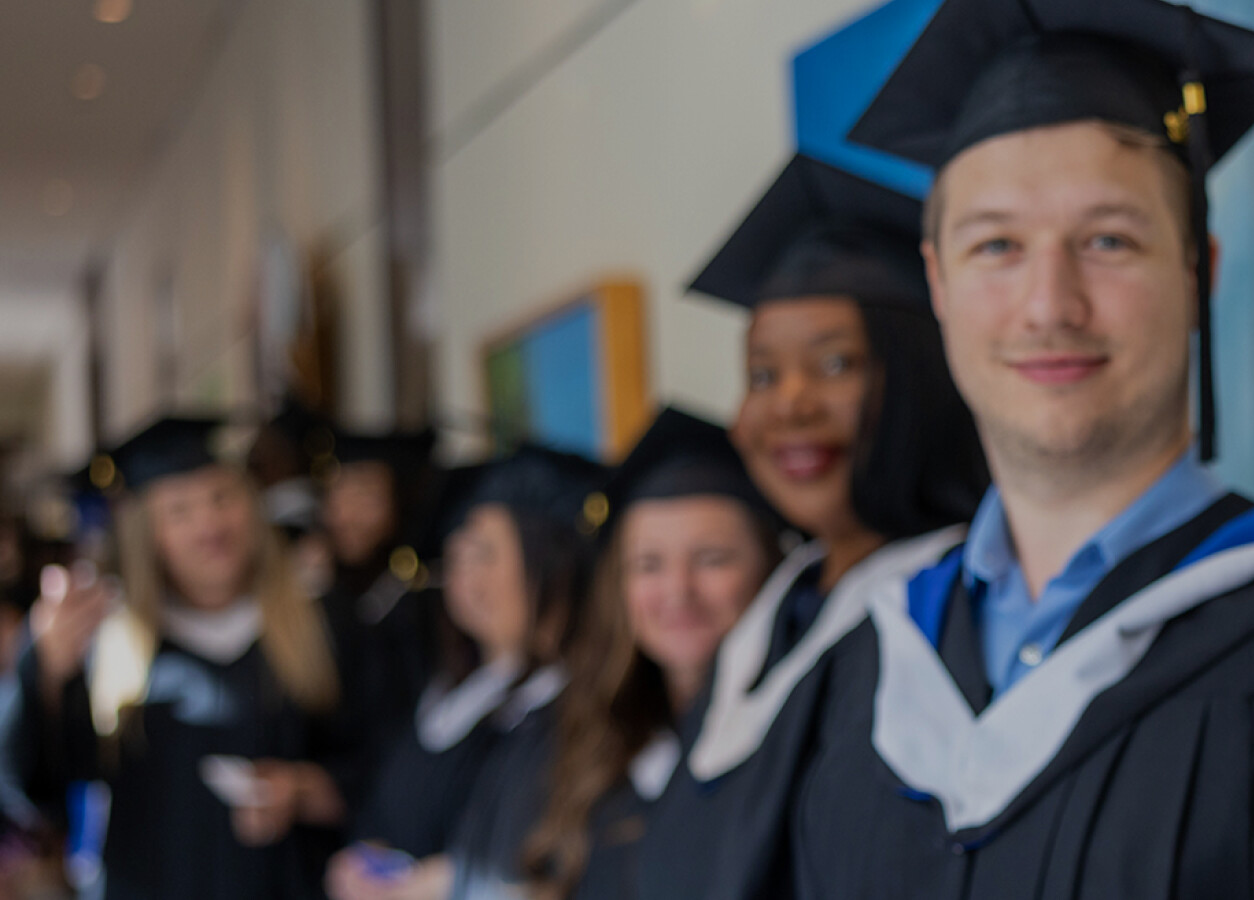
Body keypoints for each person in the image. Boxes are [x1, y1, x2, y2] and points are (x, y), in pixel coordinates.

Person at [776, 1, 1254, 896]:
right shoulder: (867, 660)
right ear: (938, 282)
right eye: (996, 246)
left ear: (1198, 271)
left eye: (1108, 239)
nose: (1049, 304)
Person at [625, 154, 989, 900]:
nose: (789, 404)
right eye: (762, 375)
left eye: (833, 364)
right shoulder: (778, 611)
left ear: (917, 378)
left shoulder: (954, 610)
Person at [431, 410, 784, 900]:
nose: (677, 592)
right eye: (648, 564)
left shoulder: (798, 741)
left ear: (772, 565)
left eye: (712, 559)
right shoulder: (594, 733)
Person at [10, 417, 354, 899]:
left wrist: (303, 789)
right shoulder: (109, 645)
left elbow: (376, 765)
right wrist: (43, 674)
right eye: (180, 511)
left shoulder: (321, 624)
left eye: (221, 498)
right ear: (146, 533)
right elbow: (39, 789)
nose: (209, 525)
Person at [323, 444, 605, 900]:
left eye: (485, 556)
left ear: (554, 563)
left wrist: (445, 884)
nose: (466, 581)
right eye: (457, 560)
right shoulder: (452, 691)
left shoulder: (582, 710)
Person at [313, 429, 443, 748]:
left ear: (401, 500)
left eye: (365, 496)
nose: (345, 515)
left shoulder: (424, 604)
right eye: (337, 494)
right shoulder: (321, 595)